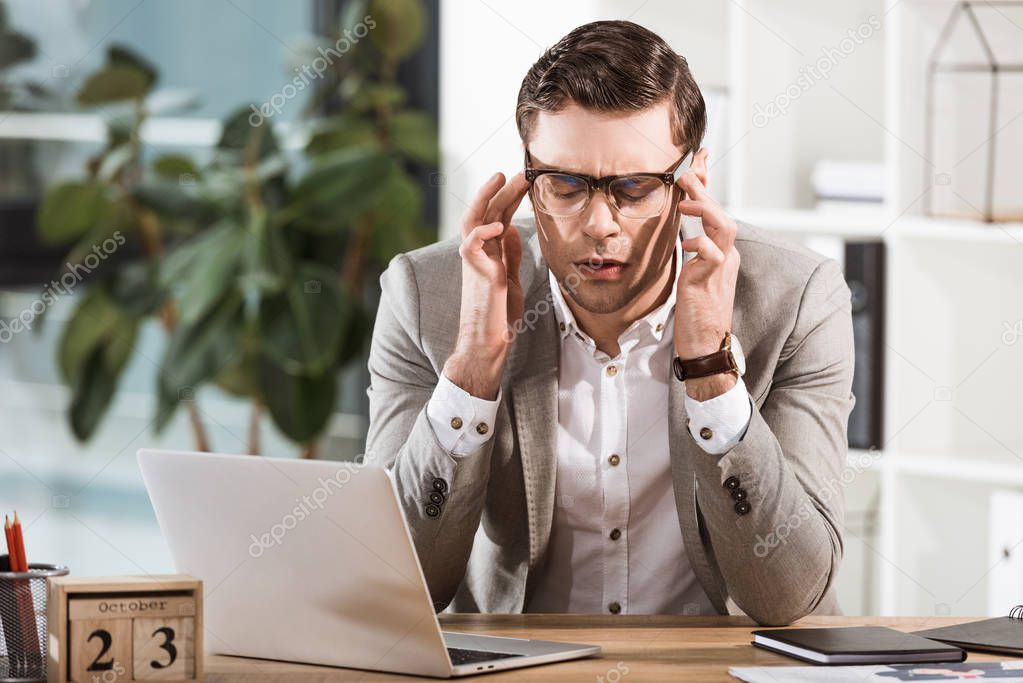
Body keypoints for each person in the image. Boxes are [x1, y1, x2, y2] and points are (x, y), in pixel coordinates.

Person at [365, 19, 854, 626]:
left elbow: (792, 598)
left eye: (633, 186)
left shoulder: (797, 300)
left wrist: (710, 373)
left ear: (692, 181)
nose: (599, 223)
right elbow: (388, 585)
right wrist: (470, 372)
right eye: (566, 185)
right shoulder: (429, 295)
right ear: (527, 178)